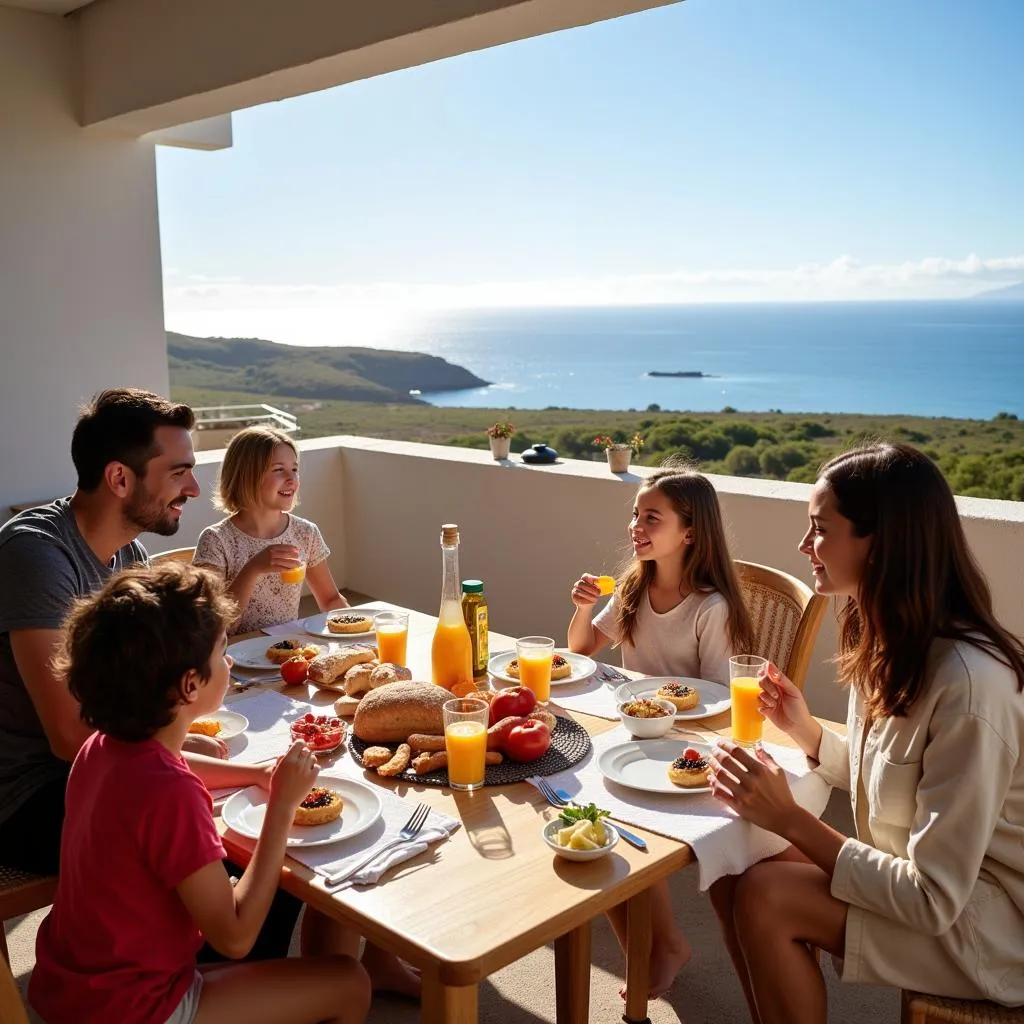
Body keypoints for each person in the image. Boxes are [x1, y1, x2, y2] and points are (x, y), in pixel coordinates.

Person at [705, 442, 1024, 1024]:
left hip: (990, 925)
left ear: (881, 543)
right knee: (735, 870)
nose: (805, 546)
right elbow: (905, 776)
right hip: (935, 886)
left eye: (820, 529)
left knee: (766, 897)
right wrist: (806, 733)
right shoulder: (889, 638)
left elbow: (933, 896)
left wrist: (791, 819)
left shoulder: (970, 687)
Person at [29, 562, 371, 1024]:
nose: (228, 663)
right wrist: (282, 808)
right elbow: (234, 937)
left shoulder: (103, 746)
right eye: (221, 652)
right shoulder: (172, 795)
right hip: (137, 1006)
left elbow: (176, 764)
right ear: (190, 685)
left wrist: (253, 774)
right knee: (350, 982)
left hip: (70, 987)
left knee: (314, 932)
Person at [0, 388, 250, 875]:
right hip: (30, 793)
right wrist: (171, 747)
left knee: (254, 811)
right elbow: (71, 737)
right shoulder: (35, 556)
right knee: (236, 848)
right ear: (119, 478)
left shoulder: (129, 554)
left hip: (111, 761)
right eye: (178, 472)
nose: (195, 488)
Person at [567, 465, 755, 998]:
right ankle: (644, 948)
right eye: (634, 514)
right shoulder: (635, 584)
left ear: (690, 531)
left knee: (615, 814)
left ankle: (664, 944)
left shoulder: (710, 607)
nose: (636, 525)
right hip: (636, 734)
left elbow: (719, 703)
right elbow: (580, 649)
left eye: (652, 517)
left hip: (686, 747)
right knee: (580, 802)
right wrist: (581, 610)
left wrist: (658, 717)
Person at [193, 426, 348, 633]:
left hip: (287, 653)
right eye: (278, 470)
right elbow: (213, 625)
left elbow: (330, 600)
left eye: (294, 469)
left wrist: (358, 638)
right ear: (246, 476)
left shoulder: (305, 533)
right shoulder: (216, 540)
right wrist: (253, 568)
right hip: (233, 657)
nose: (291, 479)